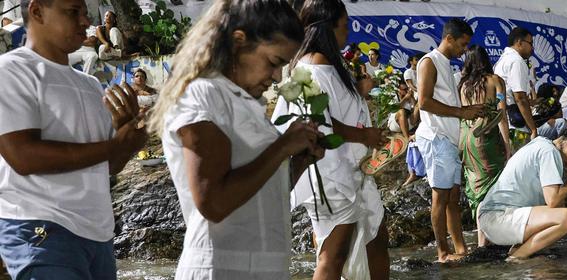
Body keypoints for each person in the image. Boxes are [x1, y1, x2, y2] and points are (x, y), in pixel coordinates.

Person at [147, 1, 319, 278]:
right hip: (220, 268)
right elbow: (214, 203)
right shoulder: (202, 94)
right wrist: (281, 147)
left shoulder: (246, 103)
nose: (276, 77)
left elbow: (258, 198)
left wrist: (298, 162)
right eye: (274, 63)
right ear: (239, 42)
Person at [0, 0, 147, 279]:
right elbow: (23, 156)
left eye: (85, 13)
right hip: (41, 229)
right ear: (37, 11)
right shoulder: (10, 71)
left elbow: (109, 165)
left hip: (98, 234)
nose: (84, 21)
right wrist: (115, 144)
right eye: (72, 12)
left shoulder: (90, 84)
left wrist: (130, 136)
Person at [277, 1, 391, 279]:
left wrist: (359, 91)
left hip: (351, 169)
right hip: (328, 173)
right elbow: (314, 120)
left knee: (375, 235)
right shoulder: (306, 66)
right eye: (345, 25)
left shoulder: (327, 63)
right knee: (333, 254)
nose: (348, 32)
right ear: (328, 27)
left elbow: (332, 108)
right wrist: (364, 135)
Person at [415, 18, 483, 263]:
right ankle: (442, 252)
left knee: (453, 197)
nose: (464, 50)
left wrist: (467, 110)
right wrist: (461, 113)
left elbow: (442, 103)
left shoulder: (446, 65)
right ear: (449, 39)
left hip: (448, 139)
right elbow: (423, 101)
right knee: (440, 197)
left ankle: (460, 248)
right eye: (462, 44)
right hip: (437, 138)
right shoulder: (429, 62)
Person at [477, 127, 567, 260]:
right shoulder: (549, 152)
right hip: (499, 220)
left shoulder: (541, 145)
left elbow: (557, 202)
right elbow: (553, 201)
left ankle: (517, 249)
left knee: (558, 216)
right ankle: (516, 258)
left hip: (493, 219)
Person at [458, 45, 511, 247]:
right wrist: (507, 144)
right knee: (492, 184)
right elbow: (501, 114)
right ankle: (488, 239)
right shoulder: (495, 81)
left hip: (465, 139)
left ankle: (482, 239)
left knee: (476, 187)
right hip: (485, 138)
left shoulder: (463, 85)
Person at [494, 27, 539, 139]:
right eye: (530, 43)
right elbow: (520, 98)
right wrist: (533, 128)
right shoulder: (517, 61)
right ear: (519, 43)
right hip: (516, 127)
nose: (532, 48)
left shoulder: (501, 61)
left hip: (503, 123)